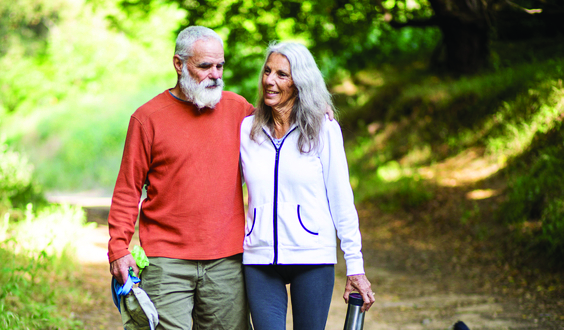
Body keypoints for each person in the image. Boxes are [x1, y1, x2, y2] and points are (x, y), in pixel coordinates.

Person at [107, 26, 253, 330]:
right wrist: (118, 248)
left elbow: (283, 125)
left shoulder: (239, 110)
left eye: (220, 66)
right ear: (178, 64)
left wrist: (318, 110)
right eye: (205, 66)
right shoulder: (147, 118)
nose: (215, 74)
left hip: (226, 260)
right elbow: (127, 190)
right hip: (165, 261)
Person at [239, 42, 375, 330]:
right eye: (267, 71)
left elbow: (341, 200)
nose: (269, 80)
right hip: (259, 256)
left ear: (300, 83)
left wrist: (355, 266)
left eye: (281, 75)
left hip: (312, 255)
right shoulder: (246, 130)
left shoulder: (324, 130)